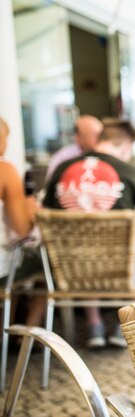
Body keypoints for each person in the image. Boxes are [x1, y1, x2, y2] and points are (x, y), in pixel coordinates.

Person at [43, 118, 135, 348]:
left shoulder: (63, 169)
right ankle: (123, 322)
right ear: (126, 147)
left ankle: (94, 325)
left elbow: (44, 214)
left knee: (86, 249)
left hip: (71, 266)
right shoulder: (129, 171)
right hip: (121, 266)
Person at [0, 117, 46, 328]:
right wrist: (29, 205)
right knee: (47, 265)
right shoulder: (6, 171)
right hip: (3, 268)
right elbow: (23, 230)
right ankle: (27, 332)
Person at [45, 115, 102, 180]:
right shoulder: (63, 158)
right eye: (94, 135)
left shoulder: (108, 154)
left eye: (101, 135)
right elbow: (51, 184)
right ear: (78, 137)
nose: (100, 140)